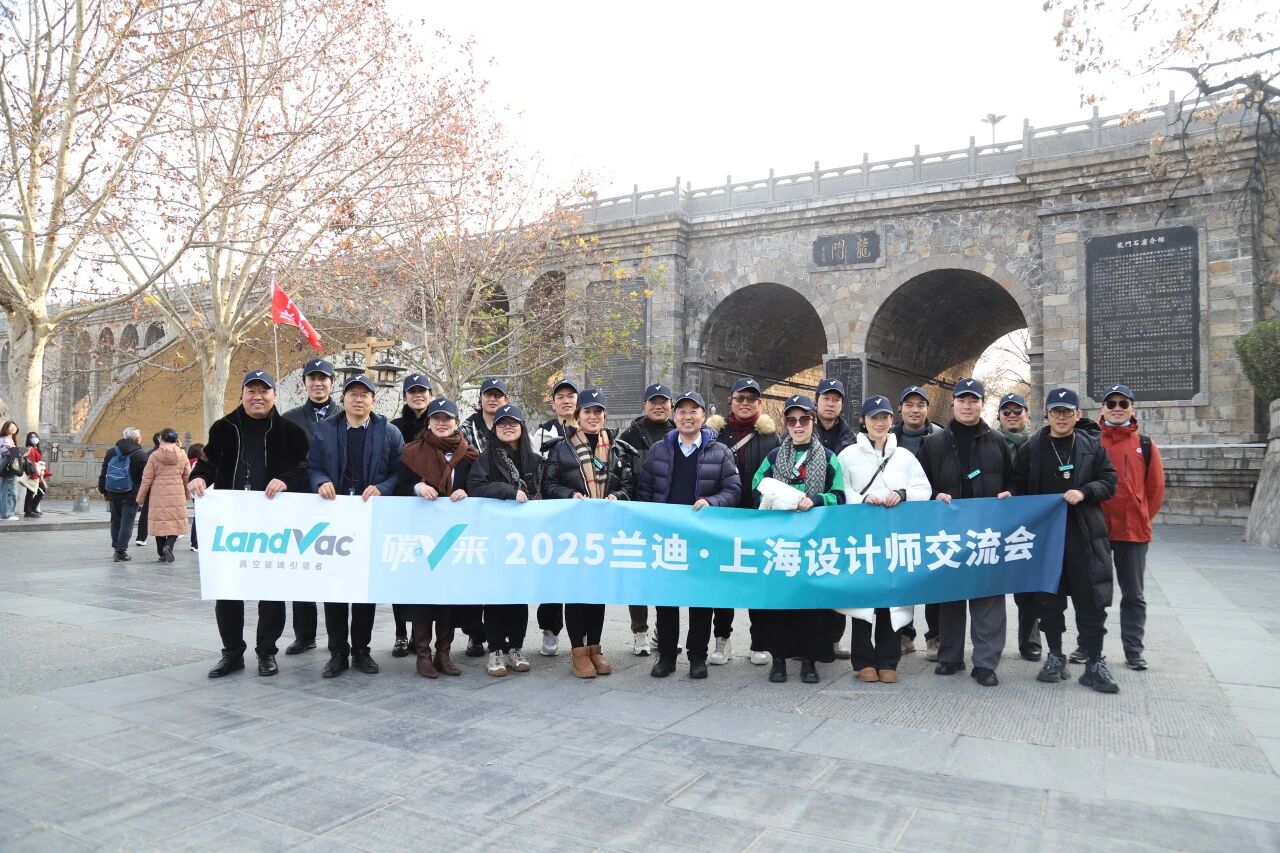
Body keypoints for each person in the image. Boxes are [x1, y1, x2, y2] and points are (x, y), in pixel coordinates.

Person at [190, 370, 310, 678]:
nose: (258, 396)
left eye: (264, 391)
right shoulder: (223, 428)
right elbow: (208, 462)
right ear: (242, 395)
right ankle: (232, 653)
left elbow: (304, 470)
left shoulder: (291, 432)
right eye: (251, 391)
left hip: (273, 523)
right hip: (232, 524)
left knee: (271, 591)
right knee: (228, 590)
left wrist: (285, 480)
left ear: (274, 395)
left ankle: (266, 652)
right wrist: (199, 478)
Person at [1012, 388, 1121, 694]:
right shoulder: (1031, 448)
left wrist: (1085, 491)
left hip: (1084, 535)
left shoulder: (1091, 445)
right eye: (1055, 411)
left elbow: (1110, 481)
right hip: (1047, 539)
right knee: (1049, 600)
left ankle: (1095, 661)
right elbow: (1018, 484)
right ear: (1046, 414)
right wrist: (1011, 497)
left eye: (1067, 412)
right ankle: (1055, 654)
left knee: (1091, 600)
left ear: (1077, 415)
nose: (1061, 417)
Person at [636, 390, 741, 679]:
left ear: (703, 416)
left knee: (701, 600)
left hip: (702, 537)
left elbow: (733, 491)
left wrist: (712, 502)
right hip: (667, 537)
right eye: (681, 411)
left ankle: (698, 657)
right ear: (674, 416)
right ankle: (666, 656)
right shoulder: (660, 449)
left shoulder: (720, 452)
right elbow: (645, 489)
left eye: (693, 411)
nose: (687, 416)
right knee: (667, 599)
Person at [918, 378, 1013, 688]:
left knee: (988, 597)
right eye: (962, 400)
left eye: (974, 400)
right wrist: (934, 496)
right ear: (953, 402)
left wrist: (1009, 494)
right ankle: (950, 655)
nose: (967, 405)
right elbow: (920, 487)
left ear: (982, 404)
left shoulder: (997, 441)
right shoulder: (933, 444)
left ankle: (985, 663)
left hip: (988, 531)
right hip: (950, 532)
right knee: (951, 596)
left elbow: (1014, 481)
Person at [308, 374, 403, 678]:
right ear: (343, 399)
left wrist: (383, 488)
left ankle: (361, 649)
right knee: (335, 586)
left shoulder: (388, 432)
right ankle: (338, 652)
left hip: (370, 516)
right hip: (335, 517)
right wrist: (321, 481)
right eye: (353, 394)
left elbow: (400, 472)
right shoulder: (325, 429)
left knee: (364, 587)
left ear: (373, 400)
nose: (358, 399)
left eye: (365, 394)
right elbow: (313, 466)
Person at [541, 389, 637, 678]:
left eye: (598, 412)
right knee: (576, 591)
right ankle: (578, 651)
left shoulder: (618, 449)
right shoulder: (561, 448)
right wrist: (570, 495)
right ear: (578, 416)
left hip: (605, 532)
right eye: (587, 412)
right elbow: (548, 486)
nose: (593, 417)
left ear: (604, 416)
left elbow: (630, 486)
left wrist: (618, 496)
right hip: (573, 532)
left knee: (597, 592)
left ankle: (595, 647)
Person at [751, 394, 845, 684]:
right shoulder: (773, 457)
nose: (797, 425)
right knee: (778, 604)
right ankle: (778, 660)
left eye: (803, 419)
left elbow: (840, 496)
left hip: (814, 542)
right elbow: (756, 489)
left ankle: (809, 661)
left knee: (812, 604)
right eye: (791, 420)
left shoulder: (829, 458)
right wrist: (776, 498)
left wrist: (815, 499)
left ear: (813, 421)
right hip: (780, 542)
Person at [836, 396, 931, 683]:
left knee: (892, 596)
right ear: (863, 421)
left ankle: (889, 659)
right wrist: (863, 498)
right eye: (874, 417)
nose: (880, 423)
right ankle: (863, 659)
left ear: (892, 420)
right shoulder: (848, 455)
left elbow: (923, 487)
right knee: (863, 597)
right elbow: (841, 488)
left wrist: (902, 494)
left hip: (894, 538)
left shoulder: (905, 456)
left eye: (885, 417)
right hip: (861, 537)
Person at [398, 396, 478, 677]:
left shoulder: (469, 455)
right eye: (436, 419)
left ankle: (444, 653)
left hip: (453, 538)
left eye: (447, 419)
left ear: (457, 423)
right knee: (423, 596)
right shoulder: (411, 452)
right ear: (428, 423)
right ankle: (423, 654)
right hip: (422, 536)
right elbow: (399, 483)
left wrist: (468, 491)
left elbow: (478, 484)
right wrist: (417, 486)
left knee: (448, 596)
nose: (442, 424)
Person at [708, 376, 781, 666]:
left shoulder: (770, 438)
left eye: (751, 399)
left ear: (760, 404)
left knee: (757, 583)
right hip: (723, 518)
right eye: (741, 398)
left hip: (757, 518)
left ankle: (758, 642)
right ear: (731, 401)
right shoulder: (714, 434)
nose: (746, 403)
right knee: (722, 583)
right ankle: (721, 640)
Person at [1092, 383, 1164, 672]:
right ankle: (1089, 646)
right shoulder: (1092, 442)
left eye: (1123, 403)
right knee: (1094, 592)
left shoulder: (1145, 445)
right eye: (1112, 404)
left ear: (1132, 408)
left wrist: (1141, 514)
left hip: (1133, 531)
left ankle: (1134, 649)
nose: (1118, 408)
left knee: (1133, 594)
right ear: (1103, 409)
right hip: (1096, 529)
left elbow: (1155, 489)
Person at [467, 403, 540, 676]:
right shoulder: (485, 459)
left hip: (526, 539)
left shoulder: (534, 460)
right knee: (496, 595)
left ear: (522, 427)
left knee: (519, 597)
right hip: (495, 537)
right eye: (502, 423)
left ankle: (516, 647)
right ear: (494, 429)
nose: (508, 427)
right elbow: (476, 487)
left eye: (513, 423)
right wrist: (509, 490)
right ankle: (495, 649)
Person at [281, 357, 339, 656]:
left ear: (333, 382)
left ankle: (338, 639)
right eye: (312, 378)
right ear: (304, 382)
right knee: (302, 570)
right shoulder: (289, 419)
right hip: (300, 502)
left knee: (334, 572)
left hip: (336, 503)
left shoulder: (345, 415)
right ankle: (304, 635)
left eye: (324, 378)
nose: (318, 383)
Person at [619, 382, 675, 657]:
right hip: (638, 515)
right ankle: (639, 631)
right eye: (653, 401)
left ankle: (663, 634)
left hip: (671, 518)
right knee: (638, 578)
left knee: (668, 575)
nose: (658, 405)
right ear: (645, 405)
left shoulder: (680, 434)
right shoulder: (629, 436)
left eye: (663, 401)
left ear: (670, 405)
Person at [455, 378, 509, 657]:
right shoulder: (465, 428)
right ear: (481, 399)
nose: (493, 399)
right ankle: (475, 634)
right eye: (488, 395)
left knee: (499, 575)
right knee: (474, 576)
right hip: (473, 507)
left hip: (504, 514)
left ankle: (502, 635)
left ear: (506, 400)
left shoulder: (512, 426)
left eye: (498, 395)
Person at [892, 384, 944, 659]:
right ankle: (904, 633)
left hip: (932, 517)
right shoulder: (888, 438)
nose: (915, 410)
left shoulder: (941, 437)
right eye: (909, 404)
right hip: (899, 518)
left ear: (927, 408)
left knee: (934, 576)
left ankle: (935, 636)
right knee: (903, 577)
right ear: (900, 409)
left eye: (920, 405)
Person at [532, 378, 579, 657]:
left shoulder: (586, 428)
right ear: (553, 402)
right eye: (560, 396)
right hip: (551, 513)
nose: (566, 401)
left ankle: (579, 634)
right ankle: (550, 631)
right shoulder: (542, 432)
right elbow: (533, 470)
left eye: (570, 396)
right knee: (550, 574)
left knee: (575, 574)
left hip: (580, 513)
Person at [993, 392, 1042, 662]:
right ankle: (991, 643)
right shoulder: (989, 441)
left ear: (1026, 413)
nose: (1012, 415)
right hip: (994, 525)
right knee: (991, 586)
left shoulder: (1038, 444)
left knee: (1027, 588)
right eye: (1006, 411)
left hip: (1028, 525)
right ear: (999, 415)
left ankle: (1030, 641)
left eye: (1017, 411)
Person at [388, 372, 432, 658]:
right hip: (403, 506)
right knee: (400, 572)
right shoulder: (394, 428)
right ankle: (400, 633)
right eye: (412, 391)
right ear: (405, 396)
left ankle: (423, 635)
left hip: (433, 509)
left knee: (427, 573)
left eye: (423, 391)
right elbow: (391, 468)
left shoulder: (441, 422)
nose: (418, 396)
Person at [135, 428, 190, 562]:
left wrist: (140, 498)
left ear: (162, 439)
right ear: (176, 440)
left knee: (160, 524)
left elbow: (146, 479)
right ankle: (169, 546)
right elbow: (187, 476)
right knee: (175, 523)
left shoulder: (154, 455)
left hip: (158, 496)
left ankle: (161, 553)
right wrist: (187, 494)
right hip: (177, 494)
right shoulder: (182, 454)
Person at [98, 426, 149, 560]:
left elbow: (104, 472)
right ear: (137, 438)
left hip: (112, 491)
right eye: (140, 436)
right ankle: (121, 551)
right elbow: (144, 477)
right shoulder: (141, 454)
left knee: (115, 520)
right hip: (131, 493)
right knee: (127, 522)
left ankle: (116, 546)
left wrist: (103, 490)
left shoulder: (111, 452)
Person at [814, 378, 856, 455]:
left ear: (842, 405)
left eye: (836, 400)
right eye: (826, 399)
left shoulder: (850, 437)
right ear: (816, 400)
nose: (830, 404)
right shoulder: (801, 430)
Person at [135, 431, 162, 546]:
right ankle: (170, 535)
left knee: (145, 511)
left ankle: (141, 537)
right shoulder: (165, 453)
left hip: (150, 486)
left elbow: (144, 475)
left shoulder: (148, 453)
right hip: (163, 488)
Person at [19, 432, 50, 517]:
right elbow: (31, 462)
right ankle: (29, 511)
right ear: (28, 439)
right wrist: (34, 474)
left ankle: (32, 509)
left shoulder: (35, 449)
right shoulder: (31, 449)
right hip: (33, 473)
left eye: (35, 436)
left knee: (37, 491)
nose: (34, 438)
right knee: (33, 491)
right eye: (32, 437)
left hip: (37, 472)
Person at [0, 420, 21, 521]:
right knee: (9, 491)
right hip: (8, 468)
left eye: (14, 426)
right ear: (5, 428)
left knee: (7, 490)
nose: (13, 428)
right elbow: (5, 452)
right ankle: (7, 514)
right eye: (10, 426)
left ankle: (5, 513)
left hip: (8, 468)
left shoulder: (10, 439)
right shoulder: (5, 439)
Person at [186, 443, 204, 550]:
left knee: (197, 517)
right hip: (203, 493)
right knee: (200, 518)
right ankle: (196, 543)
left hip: (195, 494)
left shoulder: (192, 463)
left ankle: (194, 542)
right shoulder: (199, 463)